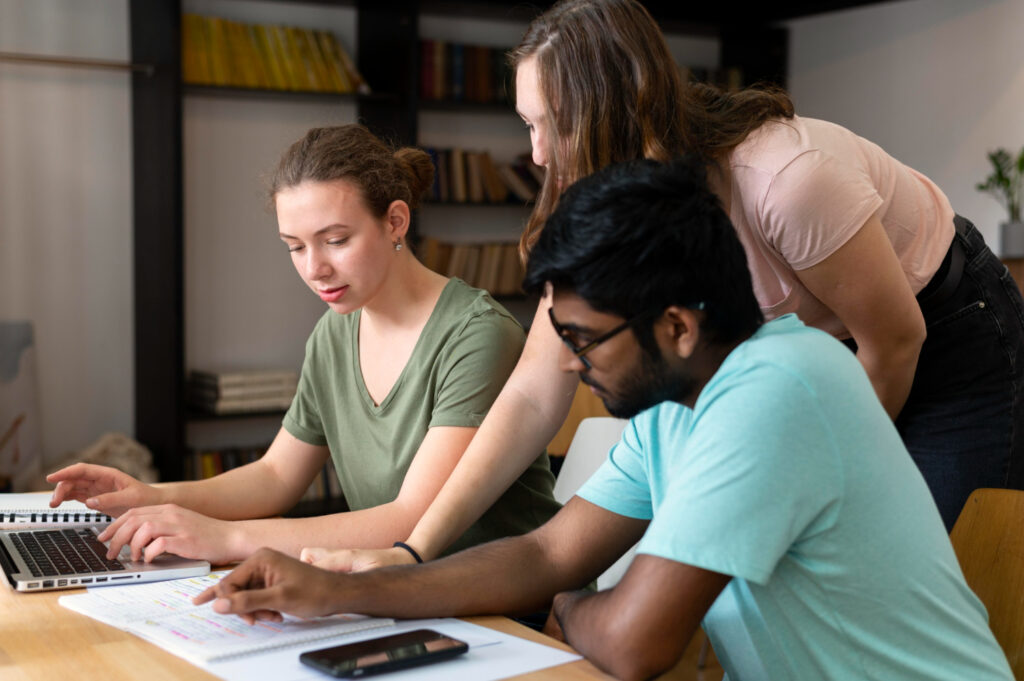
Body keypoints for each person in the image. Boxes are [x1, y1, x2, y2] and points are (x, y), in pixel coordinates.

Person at [195, 158, 1013, 681]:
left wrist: (571, 607)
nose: (573, 365)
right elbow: (546, 550)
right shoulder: (671, 405)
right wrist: (346, 589)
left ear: (678, 325)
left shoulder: (778, 389)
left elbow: (631, 642)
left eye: (585, 340)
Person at [302, 0, 1021, 573]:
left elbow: (895, 342)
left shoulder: (783, 179)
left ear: (623, 107)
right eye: (526, 125)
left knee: (910, 562)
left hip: (944, 334)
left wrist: (822, 483)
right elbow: (529, 392)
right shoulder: (611, 205)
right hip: (815, 359)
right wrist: (412, 551)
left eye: (552, 124)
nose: (538, 153)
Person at [45, 124, 560, 565]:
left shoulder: (476, 335)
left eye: (335, 240)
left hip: (507, 607)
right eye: (295, 246)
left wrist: (229, 537)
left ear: (395, 221)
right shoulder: (335, 332)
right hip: (403, 596)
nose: (315, 269)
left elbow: (411, 517)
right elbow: (275, 476)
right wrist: (150, 497)